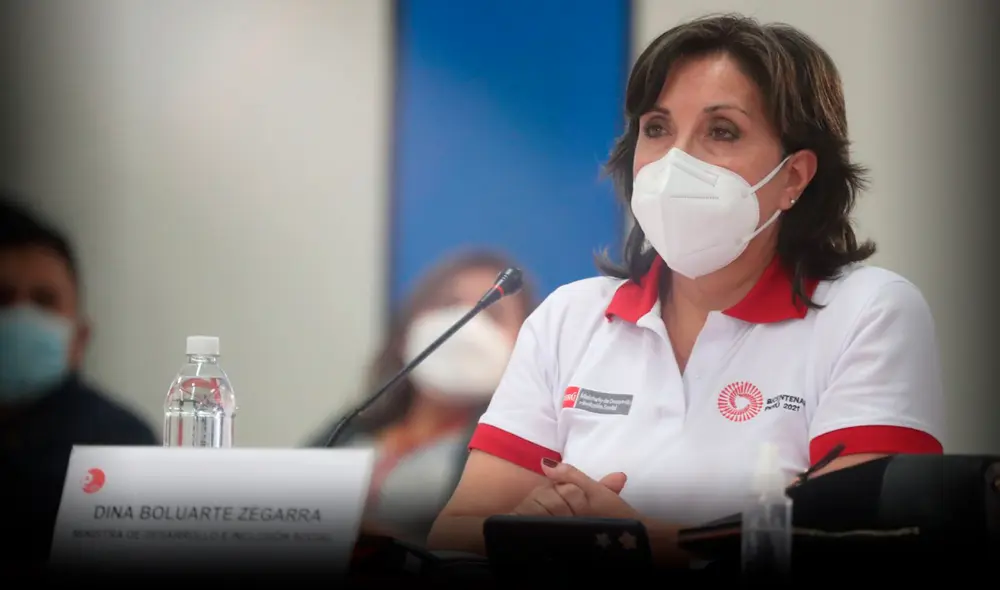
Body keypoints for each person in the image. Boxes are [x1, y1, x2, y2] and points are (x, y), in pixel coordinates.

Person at [427, 14, 944, 566]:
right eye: (657, 128)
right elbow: (453, 533)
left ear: (794, 176)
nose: (677, 161)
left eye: (722, 131)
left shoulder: (868, 311)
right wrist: (536, 528)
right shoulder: (569, 317)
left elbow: (865, 546)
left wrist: (639, 542)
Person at [311, 251, 536, 545]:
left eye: (492, 314)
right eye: (449, 303)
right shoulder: (357, 422)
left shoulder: (510, 457)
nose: (465, 324)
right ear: (411, 321)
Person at [0, 197, 158, 565]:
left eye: (44, 301)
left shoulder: (119, 446)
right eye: (2, 298)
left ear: (80, 338)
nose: (20, 316)